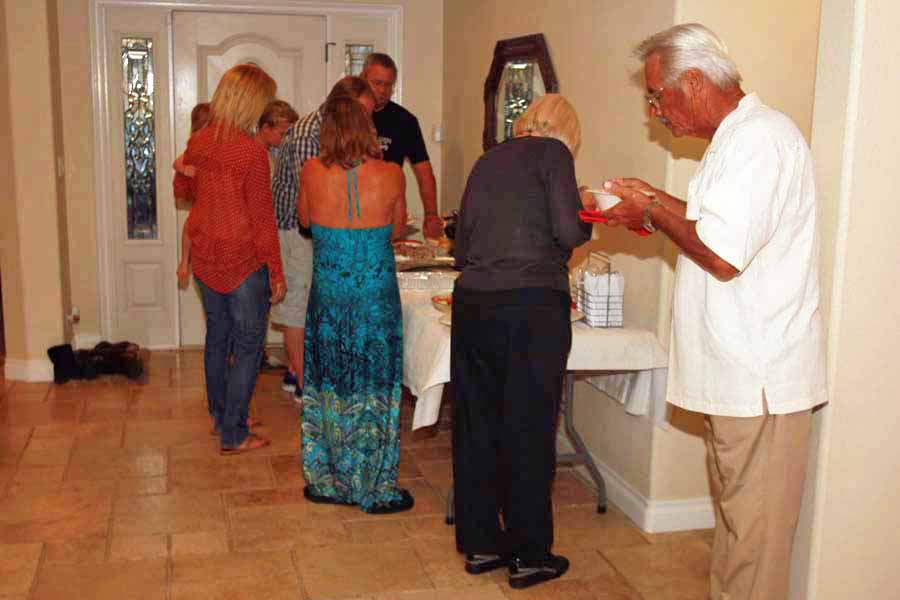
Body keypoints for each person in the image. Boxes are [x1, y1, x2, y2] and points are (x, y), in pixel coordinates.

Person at [600, 24, 827, 600]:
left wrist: (651, 204)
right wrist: (651, 206)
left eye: (657, 96)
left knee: (755, 549)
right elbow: (713, 227)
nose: (655, 113)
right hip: (739, 378)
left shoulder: (760, 141)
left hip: (761, 382)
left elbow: (722, 255)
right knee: (736, 534)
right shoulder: (734, 141)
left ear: (694, 81)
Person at [450, 94, 594, 589]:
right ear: (565, 132)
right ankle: (531, 553)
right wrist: (588, 212)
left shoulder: (487, 159)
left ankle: (481, 542)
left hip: (473, 304)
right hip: (531, 306)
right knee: (529, 427)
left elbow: (462, 247)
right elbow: (569, 231)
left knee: (477, 423)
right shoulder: (554, 156)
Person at [297, 94, 411, 514]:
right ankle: (373, 481)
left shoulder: (311, 170)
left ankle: (329, 477)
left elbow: (305, 220)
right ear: (367, 130)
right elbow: (398, 228)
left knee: (331, 381)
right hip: (375, 296)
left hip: (329, 296)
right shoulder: (391, 174)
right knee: (374, 384)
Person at [173, 63, 287, 455]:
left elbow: (184, 189)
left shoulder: (201, 140)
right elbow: (261, 218)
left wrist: (183, 168)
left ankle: (222, 416)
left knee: (218, 336)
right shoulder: (252, 152)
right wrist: (276, 270)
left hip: (205, 253)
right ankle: (235, 432)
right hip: (242, 258)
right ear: (251, 101)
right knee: (250, 344)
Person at [270, 76, 376, 402]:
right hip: (295, 233)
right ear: (343, 106)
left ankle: (295, 373)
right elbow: (315, 201)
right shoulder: (306, 135)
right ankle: (307, 386)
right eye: (363, 112)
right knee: (297, 309)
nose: (366, 121)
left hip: (317, 234)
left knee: (312, 308)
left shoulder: (331, 133)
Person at [361, 53, 443, 240]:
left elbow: (424, 172)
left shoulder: (404, 121)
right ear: (363, 78)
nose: (382, 90)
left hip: (389, 215)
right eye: (377, 83)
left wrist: (431, 215)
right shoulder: (348, 117)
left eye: (388, 85)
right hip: (351, 214)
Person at [173, 102, 210, 289]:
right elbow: (177, 162)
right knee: (190, 223)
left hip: (211, 201)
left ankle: (185, 261)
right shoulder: (193, 146)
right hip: (200, 201)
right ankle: (184, 261)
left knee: (192, 223)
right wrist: (185, 168)